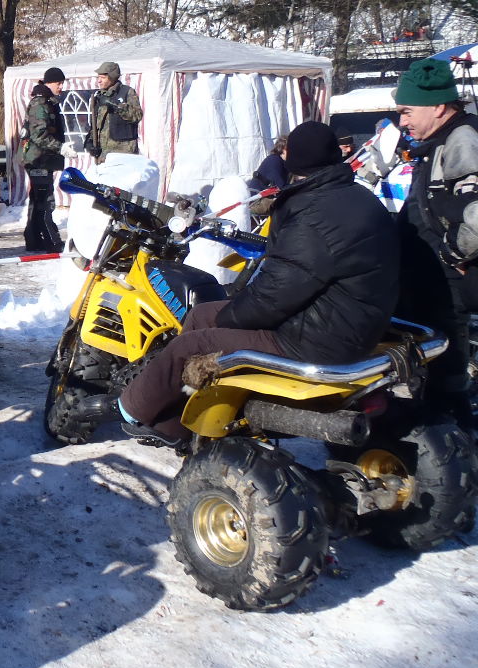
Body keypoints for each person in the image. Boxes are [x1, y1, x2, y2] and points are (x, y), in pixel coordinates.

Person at [89, 122, 400, 446]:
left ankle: (130, 410)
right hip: (347, 322)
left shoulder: (314, 216)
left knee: (189, 346)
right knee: (200, 315)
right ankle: (179, 417)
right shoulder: (357, 197)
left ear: (294, 162)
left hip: (317, 339)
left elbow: (273, 298)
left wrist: (229, 317)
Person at [394, 58, 478, 426]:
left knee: (447, 371)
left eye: (407, 111)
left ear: (439, 107)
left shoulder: (463, 140)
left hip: (448, 285)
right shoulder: (439, 141)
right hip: (429, 281)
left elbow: (476, 215)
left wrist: (450, 253)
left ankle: (454, 438)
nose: (402, 121)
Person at [19, 67, 67, 253]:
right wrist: (60, 147)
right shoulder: (41, 103)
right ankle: (51, 241)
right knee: (45, 201)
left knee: (38, 200)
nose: (61, 87)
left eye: (62, 83)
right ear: (48, 83)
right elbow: (39, 135)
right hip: (38, 159)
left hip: (41, 158)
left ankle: (33, 239)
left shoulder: (47, 101)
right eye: (58, 83)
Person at [87, 61, 142, 159]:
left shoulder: (127, 92)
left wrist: (116, 105)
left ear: (112, 77)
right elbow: (95, 124)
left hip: (123, 152)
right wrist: (90, 141)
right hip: (103, 154)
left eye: (103, 78)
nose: (99, 81)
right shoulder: (99, 96)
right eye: (98, 77)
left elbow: (137, 116)